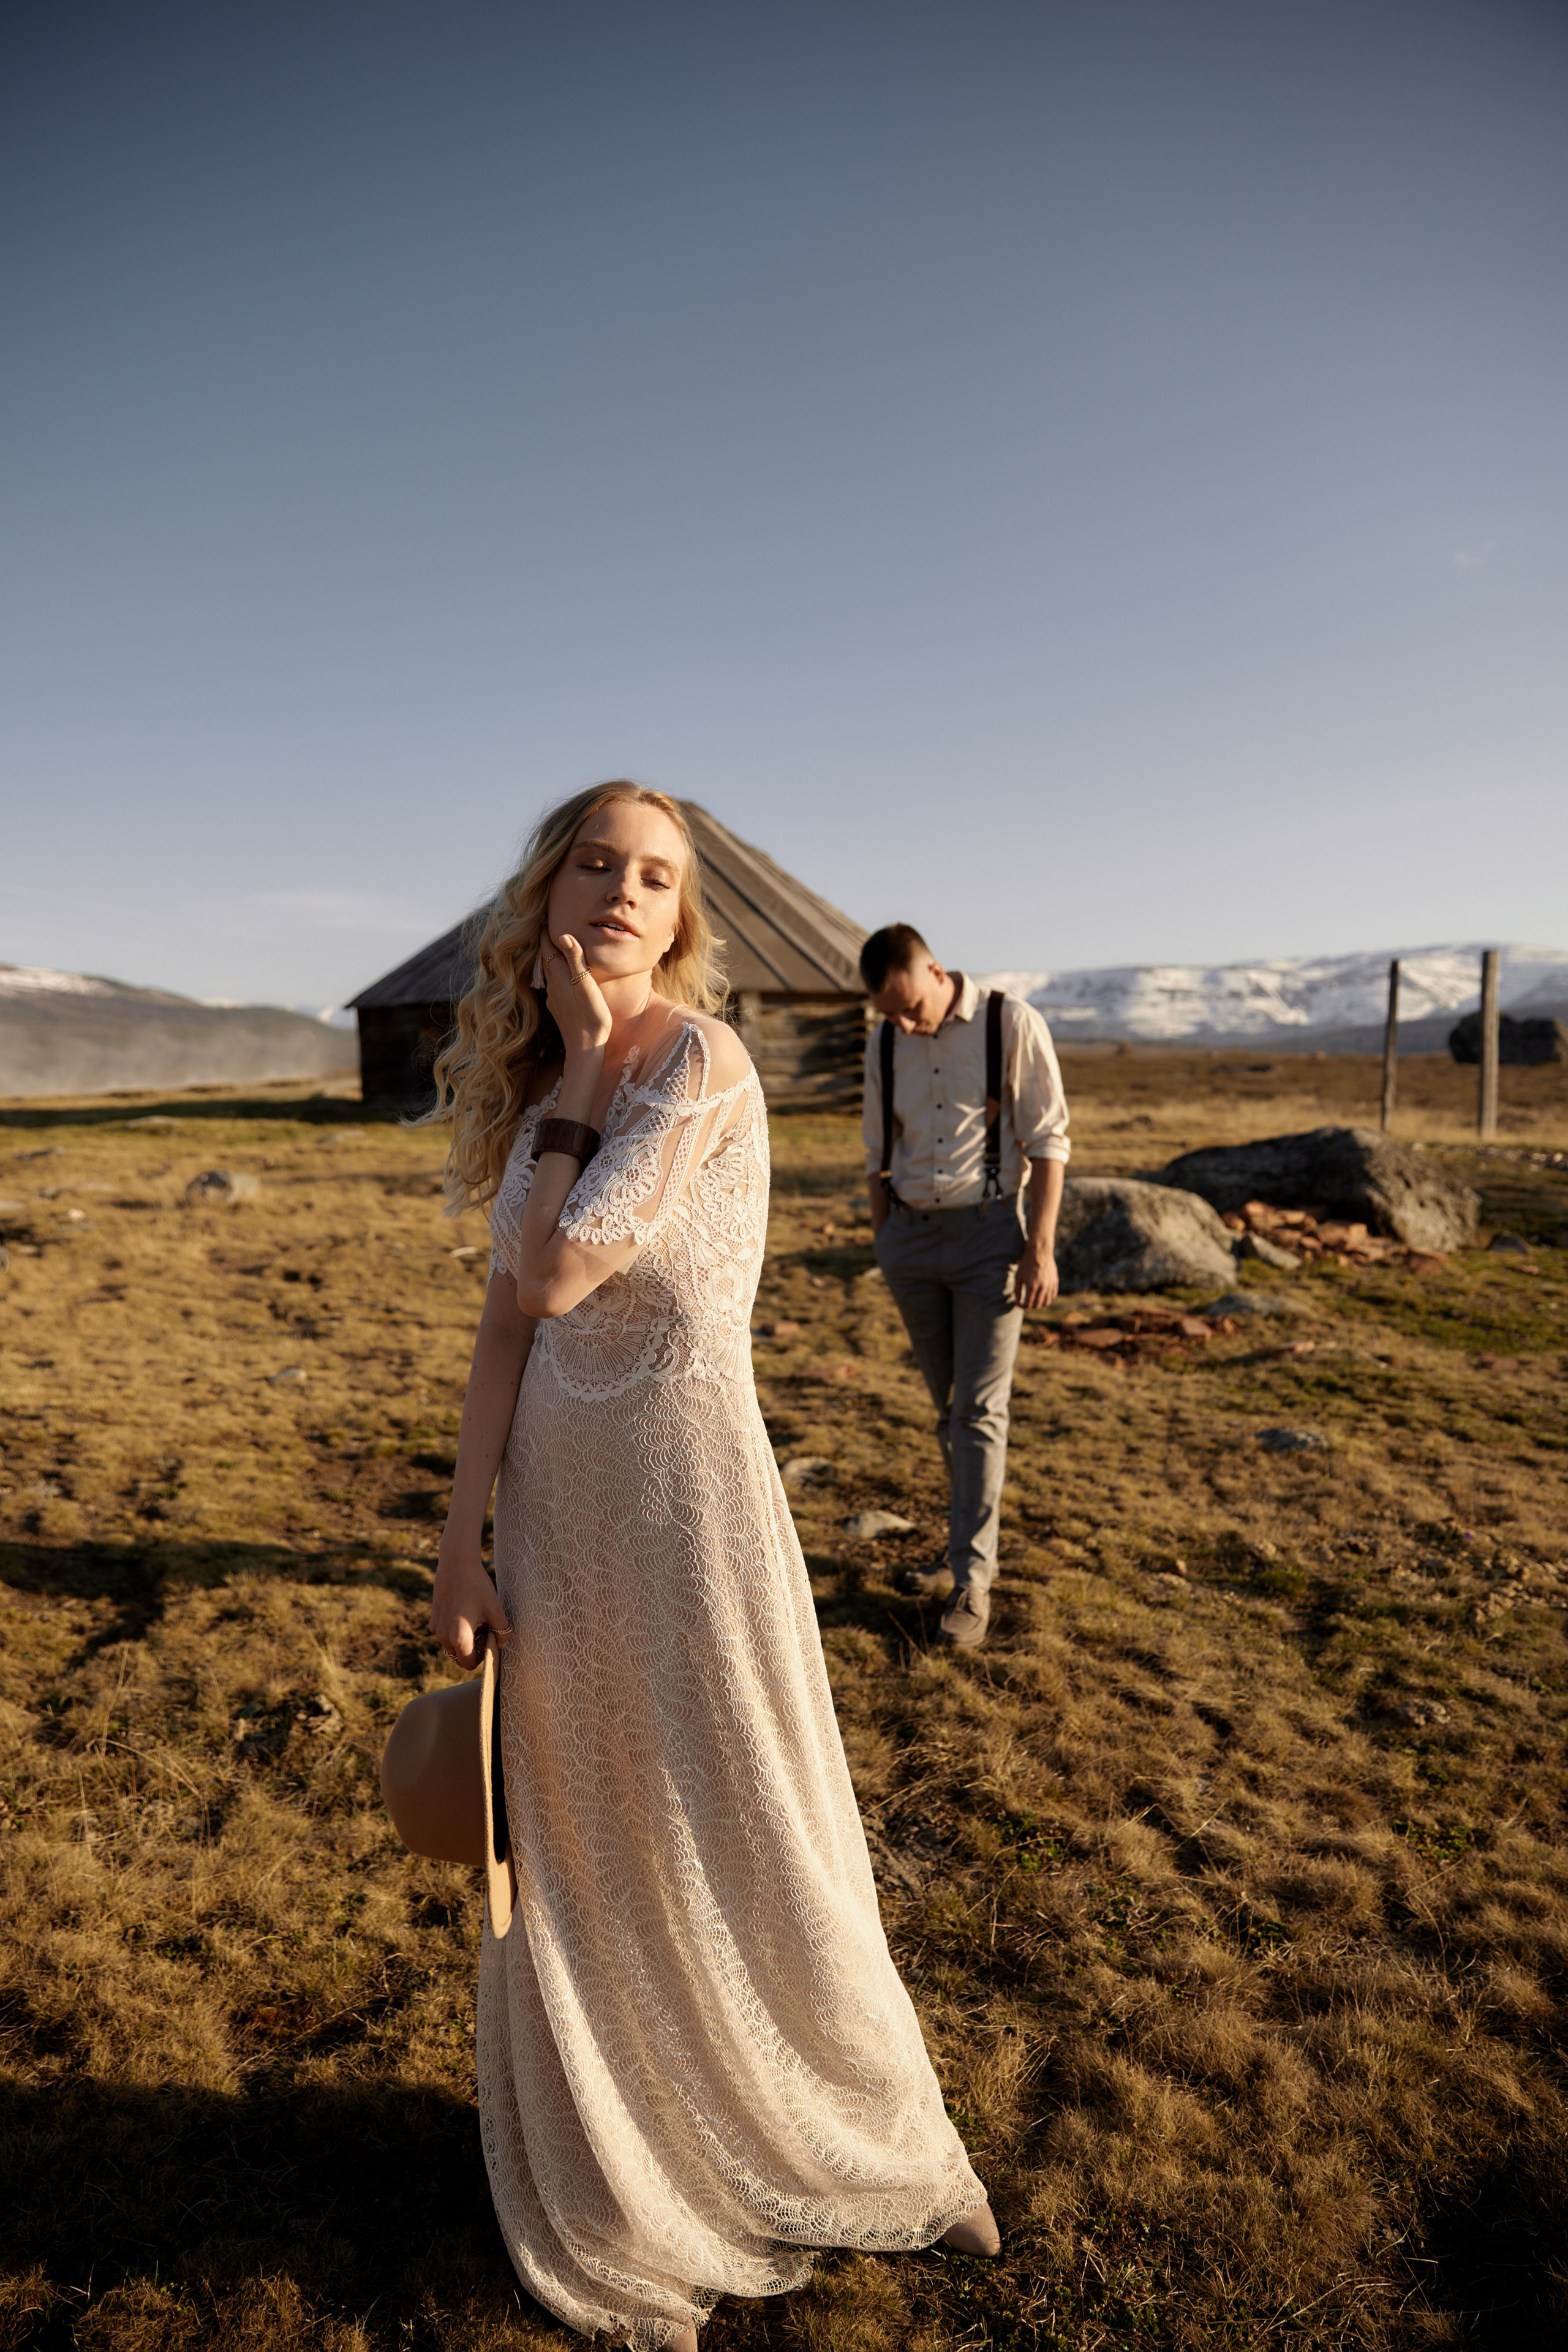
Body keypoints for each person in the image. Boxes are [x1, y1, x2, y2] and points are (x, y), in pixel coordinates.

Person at [427, 786, 998, 2352]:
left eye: (655, 875)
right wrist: (459, 1539)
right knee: (585, 1826)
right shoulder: (547, 1092)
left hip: (689, 1500)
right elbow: (504, 1330)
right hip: (556, 1508)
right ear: (547, 890)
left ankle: (887, 2149)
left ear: (682, 916)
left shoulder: (697, 1060)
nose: (622, 891)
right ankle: (631, 2179)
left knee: (749, 1806)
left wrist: (585, 1061)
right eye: (593, 863)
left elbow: (562, 1267)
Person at [861, 924, 1070, 1651]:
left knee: (978, 1413)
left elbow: (1048, 1143)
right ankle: (960, 1555)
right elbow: (875, 1148)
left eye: (909, 1008)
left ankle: (972, 1582)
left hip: (989, 1238)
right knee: (949, 1411)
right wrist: (886, 1239)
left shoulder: (1011, 1023)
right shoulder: (884, 1040)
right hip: (910, 1241)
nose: (902, 1024)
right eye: (888, 1014)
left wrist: (1038, 1250)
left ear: (937, 972)